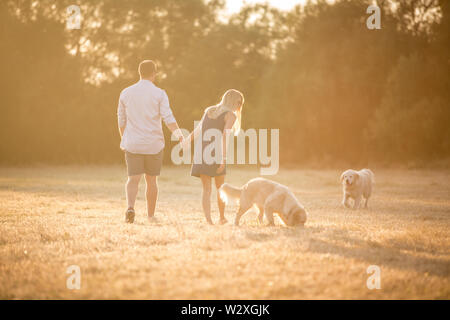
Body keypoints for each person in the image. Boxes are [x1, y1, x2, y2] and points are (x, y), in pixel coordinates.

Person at [117, 60, 183, 223]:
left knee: (133, 179)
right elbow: (168, 118)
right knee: (151, 180)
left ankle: (130, 208)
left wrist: (124, 139)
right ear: (154, 74)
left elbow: (121, 120)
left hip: (133, 143)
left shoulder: (126, 92)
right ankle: (150, 215)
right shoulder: (159, 93)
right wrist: (180, 134)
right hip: (154, 144)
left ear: (139, 73)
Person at [183, 89, 244, 224]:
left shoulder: (209, 110)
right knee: (220, 187)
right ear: (235, 102)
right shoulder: (231, 116)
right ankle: (221, 218)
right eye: (239, 103)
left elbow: (198, 130)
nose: (240, 106)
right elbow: (224, 137)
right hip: (215, 154)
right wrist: (223, 159)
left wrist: (187, 140)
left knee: (206, 189)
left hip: (201, 152)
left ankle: (209, 220)